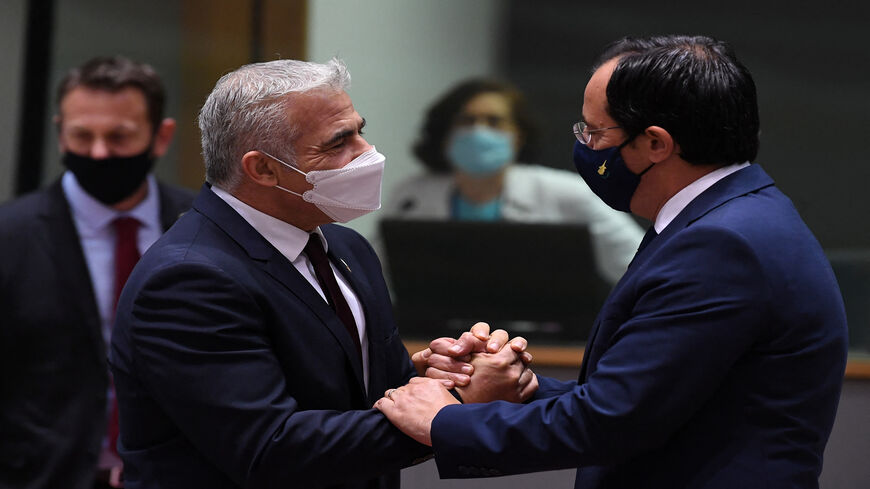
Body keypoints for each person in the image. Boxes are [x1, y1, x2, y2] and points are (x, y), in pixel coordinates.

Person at [376, 35, 849, 489]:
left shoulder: (723, 245)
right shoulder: (726, 216)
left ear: (655, 145)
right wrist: (520, 387)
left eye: (596, 132)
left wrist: (443, 420)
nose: (585, 144)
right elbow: (652, 397)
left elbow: (613, 421)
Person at [107, 58, 536, 489]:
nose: (366, 152)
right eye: (338, 143)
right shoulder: (189, 280)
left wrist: (445, 377)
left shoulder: (346, 247)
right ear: (263, 169)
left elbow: (377, 396)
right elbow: (270, 450)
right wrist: (456, 410)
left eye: (359, 130)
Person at [0, 56, 194, 489]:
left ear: (161, 137)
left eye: (119, 137)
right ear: (59, 133)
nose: (99, 152)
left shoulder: (204, 226)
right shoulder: (9, 238)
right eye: (81, 136)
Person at [382, 78, 643, 284]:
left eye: (494, 121)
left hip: (547, 341)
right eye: (466, 120)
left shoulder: (568, 194)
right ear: (445, 134)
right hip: (436, 336)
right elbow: (374, 275)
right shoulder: (411, 196)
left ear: (519, 135)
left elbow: (639, 265)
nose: (478, 131)